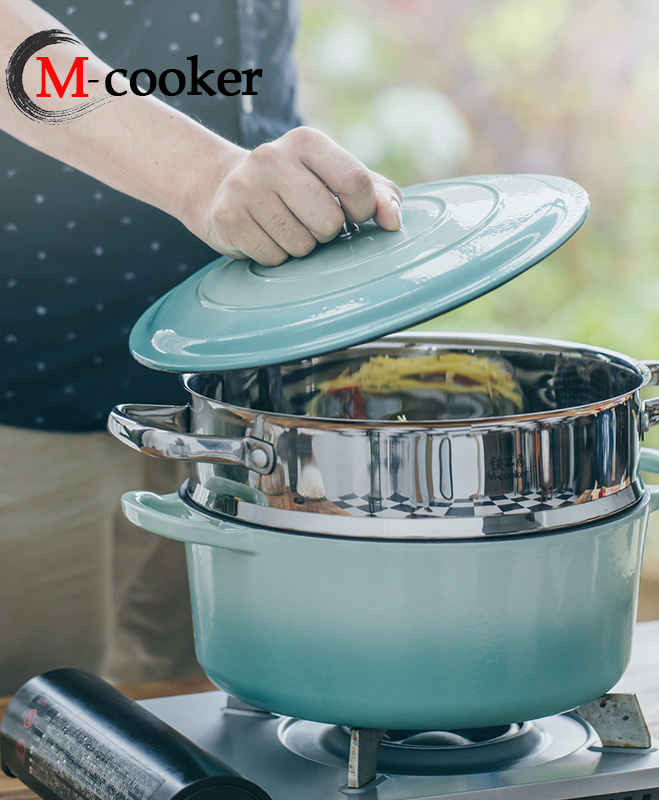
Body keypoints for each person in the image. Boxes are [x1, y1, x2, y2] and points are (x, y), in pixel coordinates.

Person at [0, 0, 402, 696]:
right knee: (34, 732)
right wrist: (202, 174)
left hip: (245, 398)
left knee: (232, 723)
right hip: (33, 378)